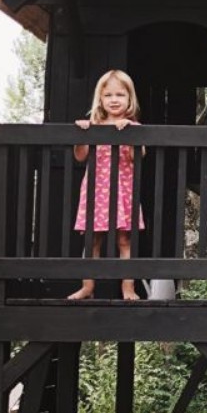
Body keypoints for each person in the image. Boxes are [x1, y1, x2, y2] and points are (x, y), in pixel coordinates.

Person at [68, 70, 144, 302]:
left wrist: (130, 133)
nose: (114, 100)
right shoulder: (94, 125)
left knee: (125, 240)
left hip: (123, 189)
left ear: (129, 98)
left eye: (120, 95)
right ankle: (87, 286)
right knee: (92, 240)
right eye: (108, 95)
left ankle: (128, 287)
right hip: (96, 190)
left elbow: (138, 156)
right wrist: (82, 134)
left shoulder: (133, 125)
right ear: (100, 99)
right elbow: (80, 156)